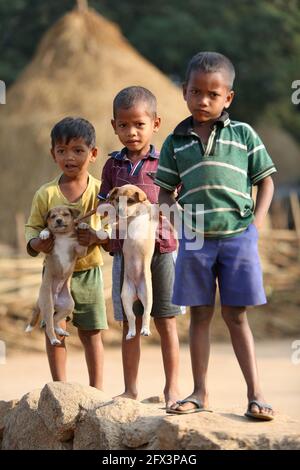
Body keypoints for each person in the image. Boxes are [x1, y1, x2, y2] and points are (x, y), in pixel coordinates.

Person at [155, 52, 276, 420]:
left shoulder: (243, 135)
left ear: (228, 98)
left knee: (236, 315)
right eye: (196, 92)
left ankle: (256, 394)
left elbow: (265, 180)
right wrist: (173, 219)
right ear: (184, 92)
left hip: (238, 236)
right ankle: (199, 392)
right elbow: (164, 191)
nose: (203, 100)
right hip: (195, 240)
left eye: (213, 94)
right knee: (200, 315)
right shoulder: (175, 143)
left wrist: (255, 224)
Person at [99, 86, 183, 409]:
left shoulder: (165, 162)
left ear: (155, 123)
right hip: (124, 251)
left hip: (160, 249)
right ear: (114, 126)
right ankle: (130, 389)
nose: (131, 132)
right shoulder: (112, 166)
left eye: (139, 125)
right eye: (124, 125)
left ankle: (172, 389)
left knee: (165, 319)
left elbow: (179, 198)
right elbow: (104, 203)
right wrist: (105, 235)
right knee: (129, 321)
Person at [25, 116, 109, 390]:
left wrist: (96, 238)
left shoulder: (100, 193)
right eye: (61, 151)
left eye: (78, 150)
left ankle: (96, 391)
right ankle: (59, 389)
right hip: (55, 273)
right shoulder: (45, 194)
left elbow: (110, 229)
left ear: (93, 154)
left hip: (88, 273)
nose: (69, 157)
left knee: (91, 331)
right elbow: (33, 228)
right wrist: (37, 243)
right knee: (54, 328)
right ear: (53, 154)